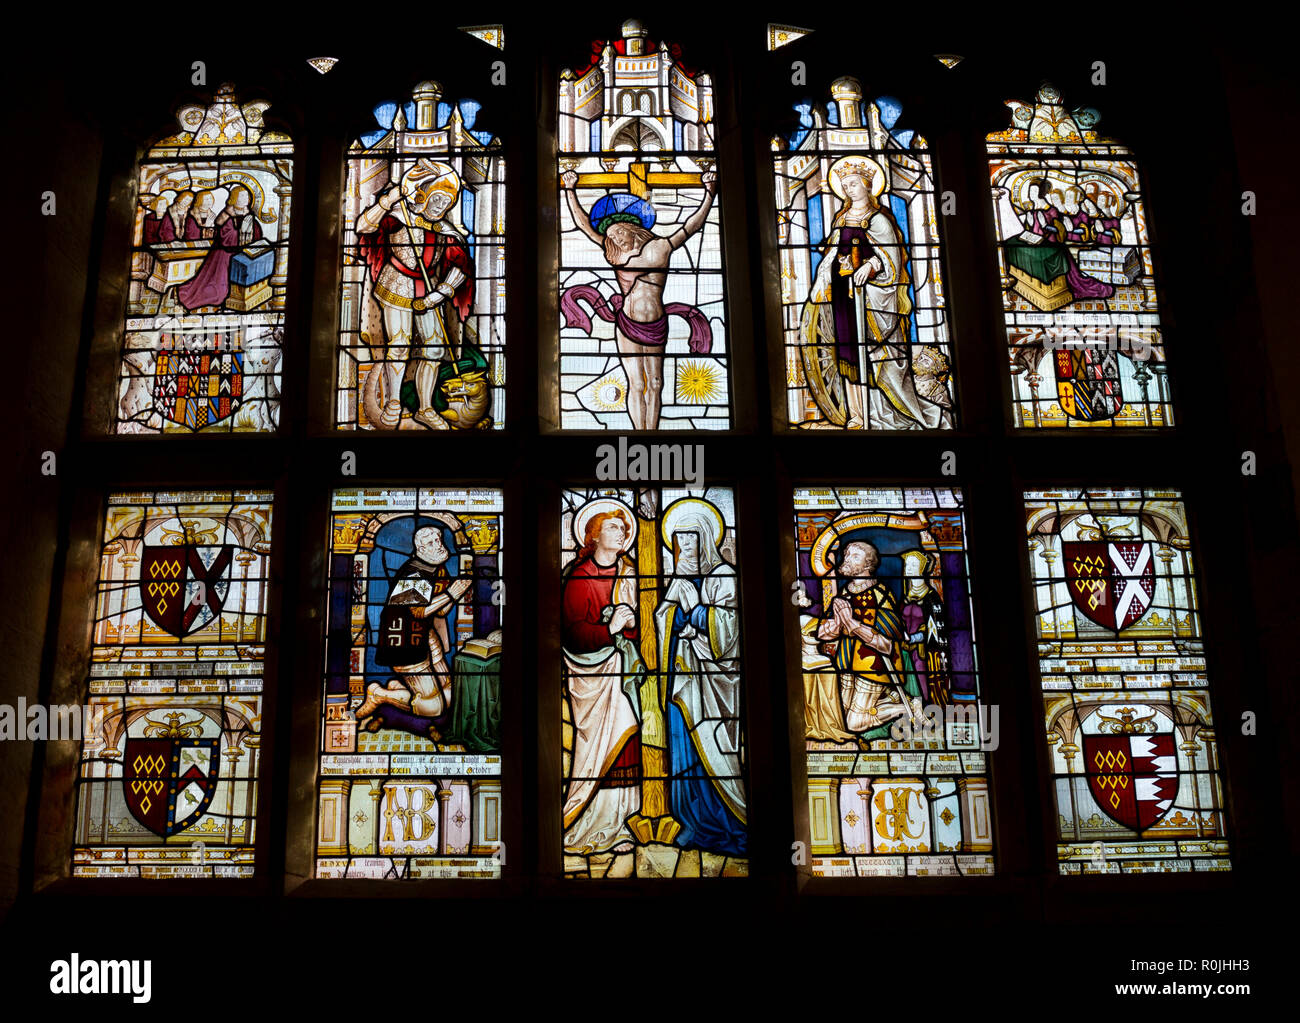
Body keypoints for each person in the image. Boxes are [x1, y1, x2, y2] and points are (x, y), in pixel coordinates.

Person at [560, 169, 716, 430]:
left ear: (632, 228)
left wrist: (709, 194)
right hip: (627, 324)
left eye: (619, 232)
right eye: (611, 236)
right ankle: (639, 434)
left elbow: (691, 226)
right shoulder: (616, 255)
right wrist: (569, 190)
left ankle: (652, 434)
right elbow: (584, 225)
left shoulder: (661, 247)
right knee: (637, 383)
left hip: (655, 323)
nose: (616, 238)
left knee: (656, 383)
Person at [803, 158, 945, 429]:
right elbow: (834, 250)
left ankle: (891, 416)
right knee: (848, 356)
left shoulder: (879, 220)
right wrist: (825, 275)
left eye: (854, 184)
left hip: (875, 300)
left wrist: (871, 265)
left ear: (868, 186)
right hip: (845, 298)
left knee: (880, 359)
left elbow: (891, 255)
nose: (849, 189)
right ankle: (857, 416)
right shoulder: (841, 218)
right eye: (845, 186)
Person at [654, 499, 746, 855]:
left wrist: (695, 612)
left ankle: (728, 821)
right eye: (679, 540)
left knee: (716, 748)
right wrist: (678, 618)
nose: (684, 547)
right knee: (684, 752)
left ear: (706, 539)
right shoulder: (678, 580)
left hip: (716, 685)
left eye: (691, 539)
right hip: (683, 683)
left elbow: (730, 632)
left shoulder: (723, 576)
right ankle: (693, 823)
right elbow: (664, 620)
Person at [355, 159, 474, 430]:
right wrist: (389, 200)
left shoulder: (444, 229)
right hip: (396, 284)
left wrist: (440, 294)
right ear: (422, 195)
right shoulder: (398, 217)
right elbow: (364, 226)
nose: (441, 208)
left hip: (430, 288)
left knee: (433, 348)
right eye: (437, 201)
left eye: (447, 204)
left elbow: (460, 265)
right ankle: (394, 402)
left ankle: (425, 407)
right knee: (398, 345)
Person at [560, 504, 646, 854]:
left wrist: (630, 626)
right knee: (596, 748)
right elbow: (571, 632)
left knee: (627, 740)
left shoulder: (631, 572)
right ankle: (589, 820)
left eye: (624, 529)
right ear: (593, 534)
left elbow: (645, 631)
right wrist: (608, 630)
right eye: (613, 527)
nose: (622, 533)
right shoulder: (579, 576)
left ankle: (623, 821)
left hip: (623, 673)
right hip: (591, 674)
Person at [355, 526, 471, 737]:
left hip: (425, 635)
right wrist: (452, 594)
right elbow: (419, 611)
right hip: (402, 640)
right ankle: (379, 694)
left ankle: (396, 688)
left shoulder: (438, 569)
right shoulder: (415, 571)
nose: (438, 545)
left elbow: (441, 610)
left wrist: (456, 593)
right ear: (420, 548)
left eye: (438, 539)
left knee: (450, 694)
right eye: (431, 543)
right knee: (432, 707)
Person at [816, 541, 921, 740]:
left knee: (854, 723)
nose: (847, 558)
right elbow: (826, 632)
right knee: (840, 716)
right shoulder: (844, 593)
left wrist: (852, 624)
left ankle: (904, 706)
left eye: (855, 556)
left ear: (868, 564)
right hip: (846, 663)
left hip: (874, 665)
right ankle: (891, 698)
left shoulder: (880, 595)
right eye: (847, 554)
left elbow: (888, 644)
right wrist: (831, 627)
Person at [177, 185, 262, 311]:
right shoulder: (226, 215)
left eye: (246, 196)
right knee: (217, 291)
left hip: (243, 254)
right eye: (241, 196)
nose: (245, 199)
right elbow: (225, 237)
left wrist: (251, 236)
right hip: (223, 255)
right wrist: (241, 235)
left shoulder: (249, 215)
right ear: (234, 198)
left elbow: (257, 233)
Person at [899, 549, 950, 707]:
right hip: (906, 650)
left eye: (913, 564)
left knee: (924, 685)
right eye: (907, 564)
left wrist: (913, 638)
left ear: (922, 567)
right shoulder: (905, 598)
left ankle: (929, 712)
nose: (909, 568)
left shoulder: (931, 597)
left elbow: (933, 628)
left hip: (924, 651)